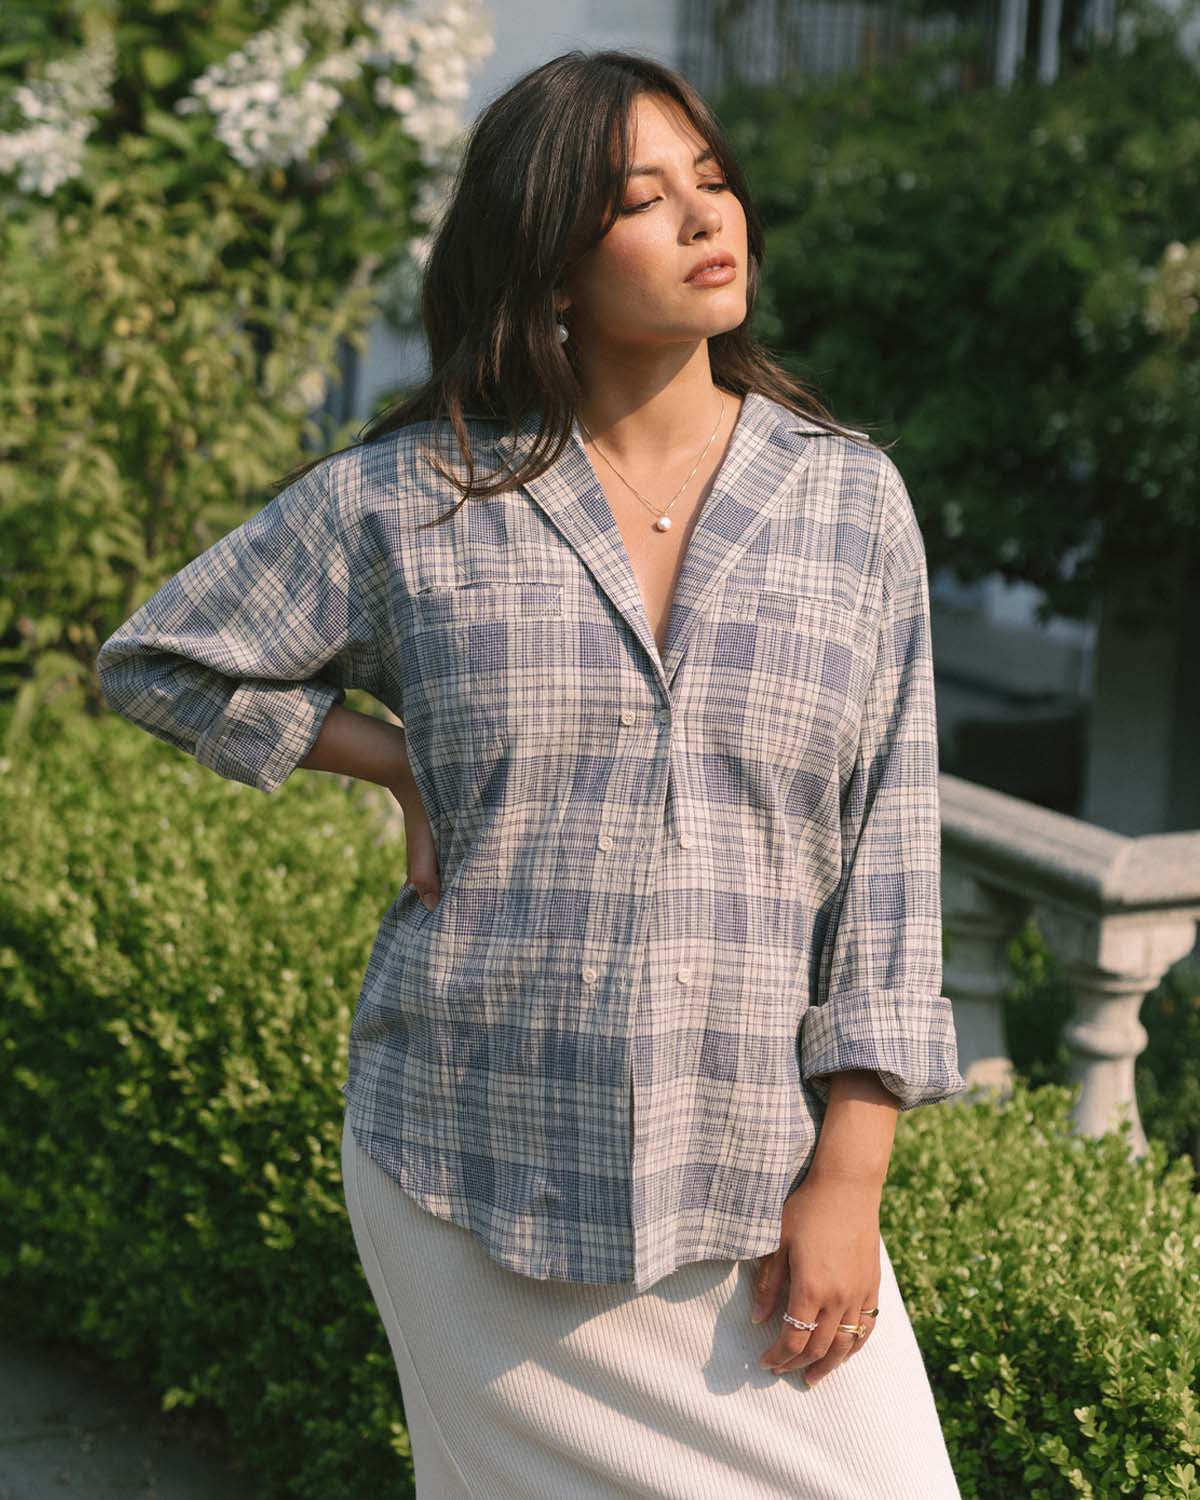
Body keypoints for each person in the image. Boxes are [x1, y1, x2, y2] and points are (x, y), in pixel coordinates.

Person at [97, 45, 967, 1500]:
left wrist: (851, 1176)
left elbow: (892, 853)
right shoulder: (411, 499)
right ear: (549, 264)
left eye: (715, 180)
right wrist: (391, 761)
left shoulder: (847, 499)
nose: (708, 219)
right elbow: (160, 659)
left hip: (751, 1176)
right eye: (645, 198)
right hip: (466, 1155)